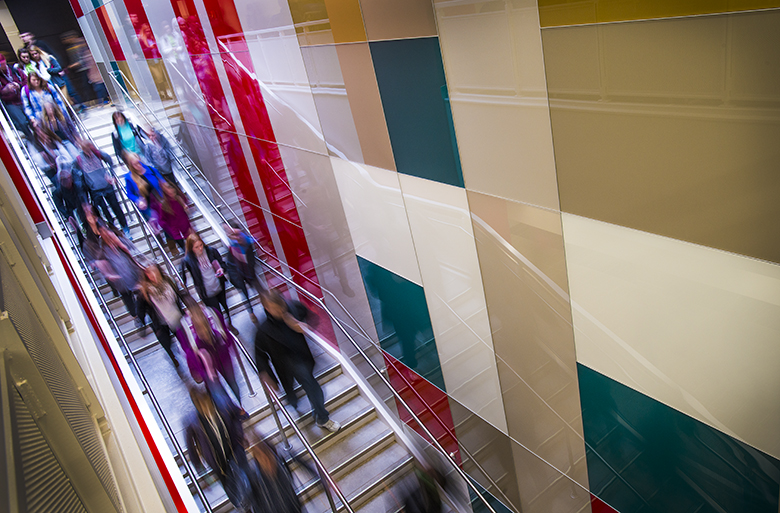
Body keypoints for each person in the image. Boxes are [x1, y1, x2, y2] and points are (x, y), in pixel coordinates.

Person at [254, 290, 340, 433]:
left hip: (301, 361)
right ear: (268, 309)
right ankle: (292, 400)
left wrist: (299, 324)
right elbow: (260, 355)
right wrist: (266, 374)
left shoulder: (293, 309)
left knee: (314, 389)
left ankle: (322, 418)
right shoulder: (264, 330)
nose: (281, 311)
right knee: (291, 394)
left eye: (281, 307)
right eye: (276, 309)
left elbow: (311, 317)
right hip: (283, 367)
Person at [185, 385, 251, 511]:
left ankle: (250, 499)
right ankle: (239, 505)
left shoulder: (222, 406)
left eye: (205, 402)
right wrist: (201, 472)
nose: (204, 407)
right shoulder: (192, 423)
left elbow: (235, 415)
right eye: (200, 405)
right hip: (216, 461)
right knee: (228, 484)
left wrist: (240, 434)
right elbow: (191, 450)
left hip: (234, 449)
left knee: (244, 473)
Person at [181, 297, 241, 402]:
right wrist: (195, 370)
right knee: (216, 389)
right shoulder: (184, 325)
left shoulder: (212, 312)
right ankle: (230, 410)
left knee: (231, 382)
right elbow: (187, 349)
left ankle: (238, 405)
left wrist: (228, 345)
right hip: (204, 363)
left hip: (222, 355)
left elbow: (224, 330)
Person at [77, 139, 129, 235]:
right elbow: (78, 177)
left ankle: (124, 226)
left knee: (115, 207)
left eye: (89, 148)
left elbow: (109, 160)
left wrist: (111, 175)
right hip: (95, 190)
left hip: (106, 186)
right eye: (86, 149)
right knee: (104, 211)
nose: (88, 151)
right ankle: (113, 229)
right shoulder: (79, 160)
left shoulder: (97, 154)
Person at [181, 232, 231, 327]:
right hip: (206, 292)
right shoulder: (188, 261)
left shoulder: (211, 251)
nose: (200, 248)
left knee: (225, 306)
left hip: (218, 285)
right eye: (196, 247)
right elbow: (185, 279)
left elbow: (222, 263)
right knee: (217, 313)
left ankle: (229, 323)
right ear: (191, 248)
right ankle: (224, 329)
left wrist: (221, 269)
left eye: (201, 245)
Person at [140, 263, 185, 366]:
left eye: (154, 272)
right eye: (149, 273)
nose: (152, 276)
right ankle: (172, 357)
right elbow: (141, 310)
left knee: (184, 341)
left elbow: (178, 296)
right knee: (167, 344)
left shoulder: (168, 281)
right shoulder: (146, 291)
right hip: (161, 324)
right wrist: (142, 328)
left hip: (176, 318)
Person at [96, 224, 142, 319]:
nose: (107, 234)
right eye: (103, 232)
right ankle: (136, 316)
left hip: (131, 273)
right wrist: (110, 275)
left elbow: (130, 251)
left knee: (140, 294)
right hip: (121, 281)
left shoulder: (118, 241)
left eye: (107, 231)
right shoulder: (103, 250)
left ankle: (140, 313)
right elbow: (102, 265)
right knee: (129, 300)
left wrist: (138, 264)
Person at [247, 441, 302, 513]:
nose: (268, 462)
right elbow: (253, 502)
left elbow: (290, 483)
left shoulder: (281, 463)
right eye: (263, 458)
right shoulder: (253, 477)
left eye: (268, 457)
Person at [224, 221, 263, 323]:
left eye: (235, 234)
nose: (234, 237)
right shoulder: (233, 245)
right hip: (236, 272)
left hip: (248, 270)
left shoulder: (246, 241)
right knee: (244, 293)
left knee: (259, 289)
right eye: (231, 234)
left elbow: (253, 242)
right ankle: (251, 313)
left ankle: (266, 305)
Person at [52, 157, 87, 245]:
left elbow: (84, 193)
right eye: (64, 180)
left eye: (68, 179)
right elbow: (59, 204)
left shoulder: (77, 185)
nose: (67, 182)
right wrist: (68, 215)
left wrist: (86, 204)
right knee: (79, 230)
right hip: (72, 210)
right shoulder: (59, 191)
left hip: (82, 207)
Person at [0, 53, 32, 139]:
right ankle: (33, 140)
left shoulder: (15, 70)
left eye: (2, 64)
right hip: (10, 102)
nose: (1, 66)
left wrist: (19, 85)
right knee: (22, 122)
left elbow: (27, 80)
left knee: (33, 119)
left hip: (23, 98)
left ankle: (44, 139)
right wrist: (4, 90)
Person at [124, 152, 164, 221]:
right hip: (148, 206)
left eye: (138, 162)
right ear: (131, 166)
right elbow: (129, 193)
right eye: (135, 164)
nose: (138, 165)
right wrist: (138, 200)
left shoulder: (150, 169)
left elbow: (163, 182)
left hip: (160, 201)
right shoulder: (129, 177)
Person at [155, 180, 191, 256]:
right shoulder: (164, 205)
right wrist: (169, 230)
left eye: (170, 188)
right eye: (167, 190)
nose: (170, 191)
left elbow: (185, 212)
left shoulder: (179, 199)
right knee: (187, 252)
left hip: (186, 228)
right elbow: (162, 220)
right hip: (175, 232)